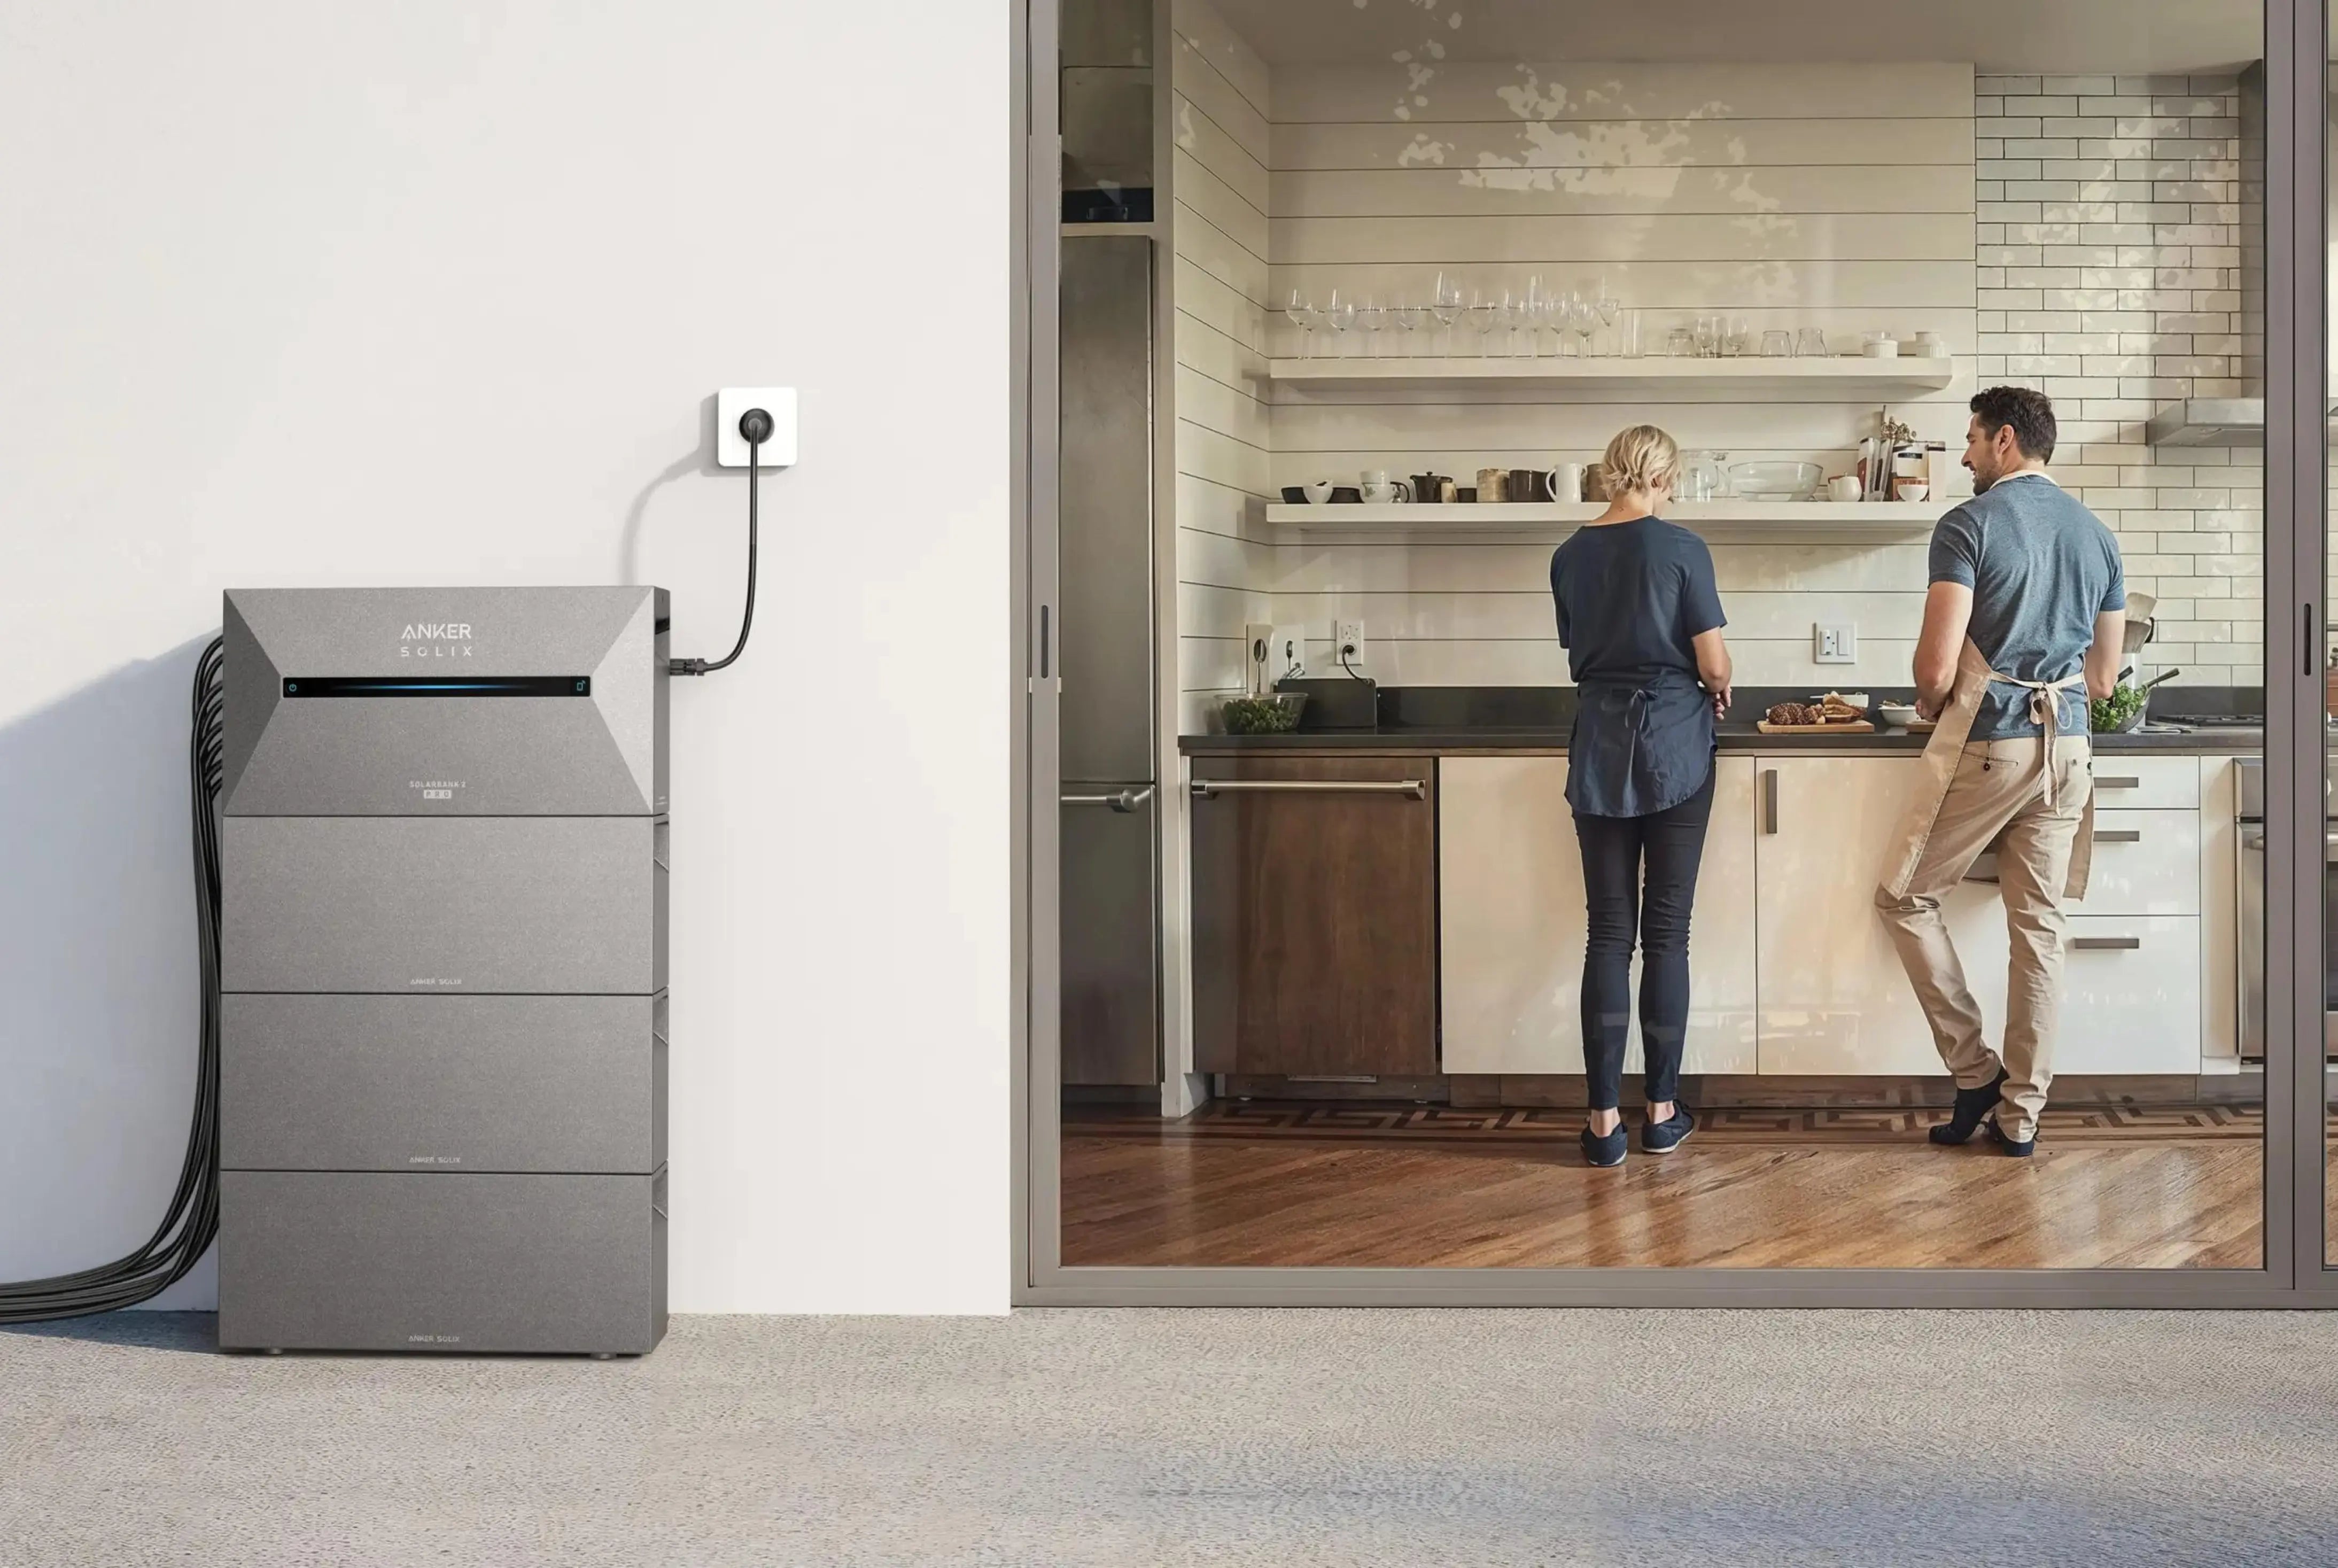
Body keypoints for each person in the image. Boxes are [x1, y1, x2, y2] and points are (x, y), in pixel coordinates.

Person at [1875, 386, 2125, 1156]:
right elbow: (2105, 679)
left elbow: (1933, 670)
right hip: (2070, 750)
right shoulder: (2098, 535)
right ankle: (2021, 1114)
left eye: (1974, 440)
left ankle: (1974, 1068)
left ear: (2006, 441)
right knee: (2039, 933)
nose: (1966, 455)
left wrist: (1931, 700)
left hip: (1992, 745)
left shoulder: (1968, 525)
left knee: (1905, 897)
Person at [1550, 425, 1734, 1168]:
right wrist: (1718, 686)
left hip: (1598, 738)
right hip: (1675, 742)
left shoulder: (1568, 554)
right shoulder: (1683, 548)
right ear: (1665, 475)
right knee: (1667, 932)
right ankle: (1660, 1112)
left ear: (1608, 473)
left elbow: (1580, 650)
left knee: (1606, 932)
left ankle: (1602, 1126)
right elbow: (1712, 662)